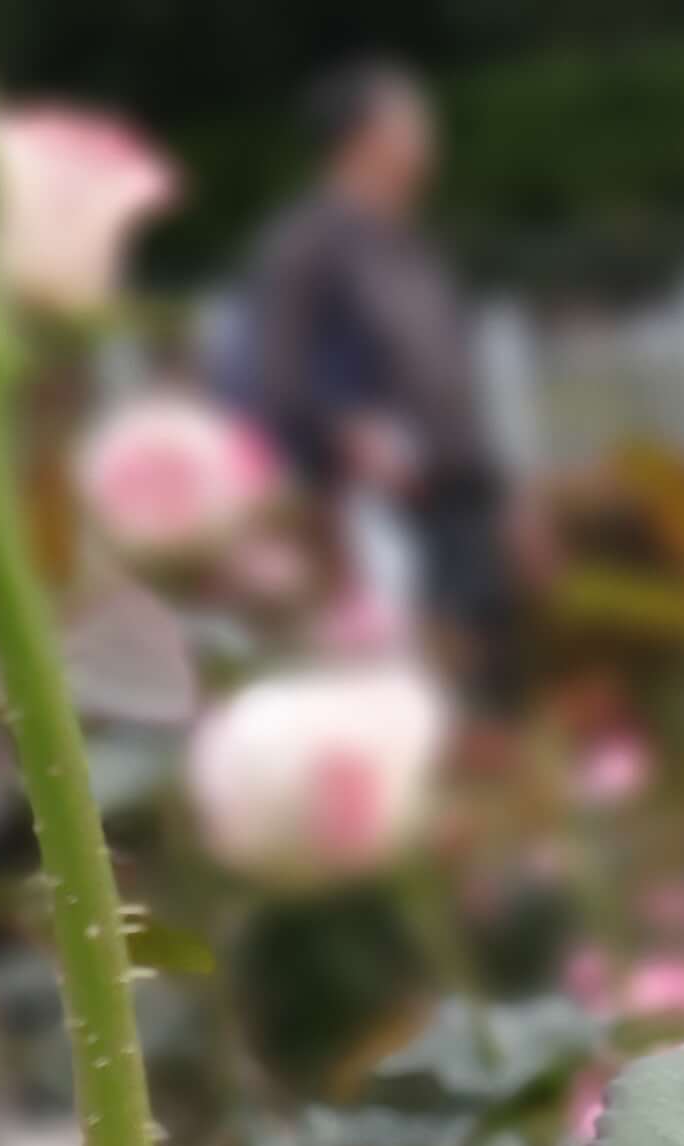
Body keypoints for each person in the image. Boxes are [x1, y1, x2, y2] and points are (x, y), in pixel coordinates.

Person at [239, 62, 525, 706]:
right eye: (412, 123)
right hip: (381, 521)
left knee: (487, 686)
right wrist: (343, 432)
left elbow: (453, 386)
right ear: (362, 137)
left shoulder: (413, 246)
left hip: (461, 505)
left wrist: (504, 497)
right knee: (423, 695)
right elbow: (274, 380)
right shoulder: (305, 249)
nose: (428, 139)